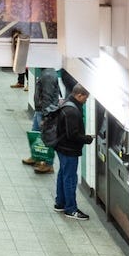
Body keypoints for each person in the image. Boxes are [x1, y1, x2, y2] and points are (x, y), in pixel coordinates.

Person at [53, 83, 94, 219]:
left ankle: (60, 203)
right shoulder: (73, 111)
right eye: (85, 98)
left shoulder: (67, 103)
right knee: (70, 178)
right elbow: (73, 135)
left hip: (61, 146)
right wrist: (87, 138)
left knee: (63, 174)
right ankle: (71, 209)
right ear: (79, 95)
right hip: (68, 149)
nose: (86, 100)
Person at [22, 67, 60, 174]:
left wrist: (45, 116)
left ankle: (48, 164)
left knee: (47, 138)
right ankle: (36, 157)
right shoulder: (46, 72)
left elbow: (47, 98)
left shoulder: (48, 75)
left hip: (44, 112)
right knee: (35, 134)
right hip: (39, 110)